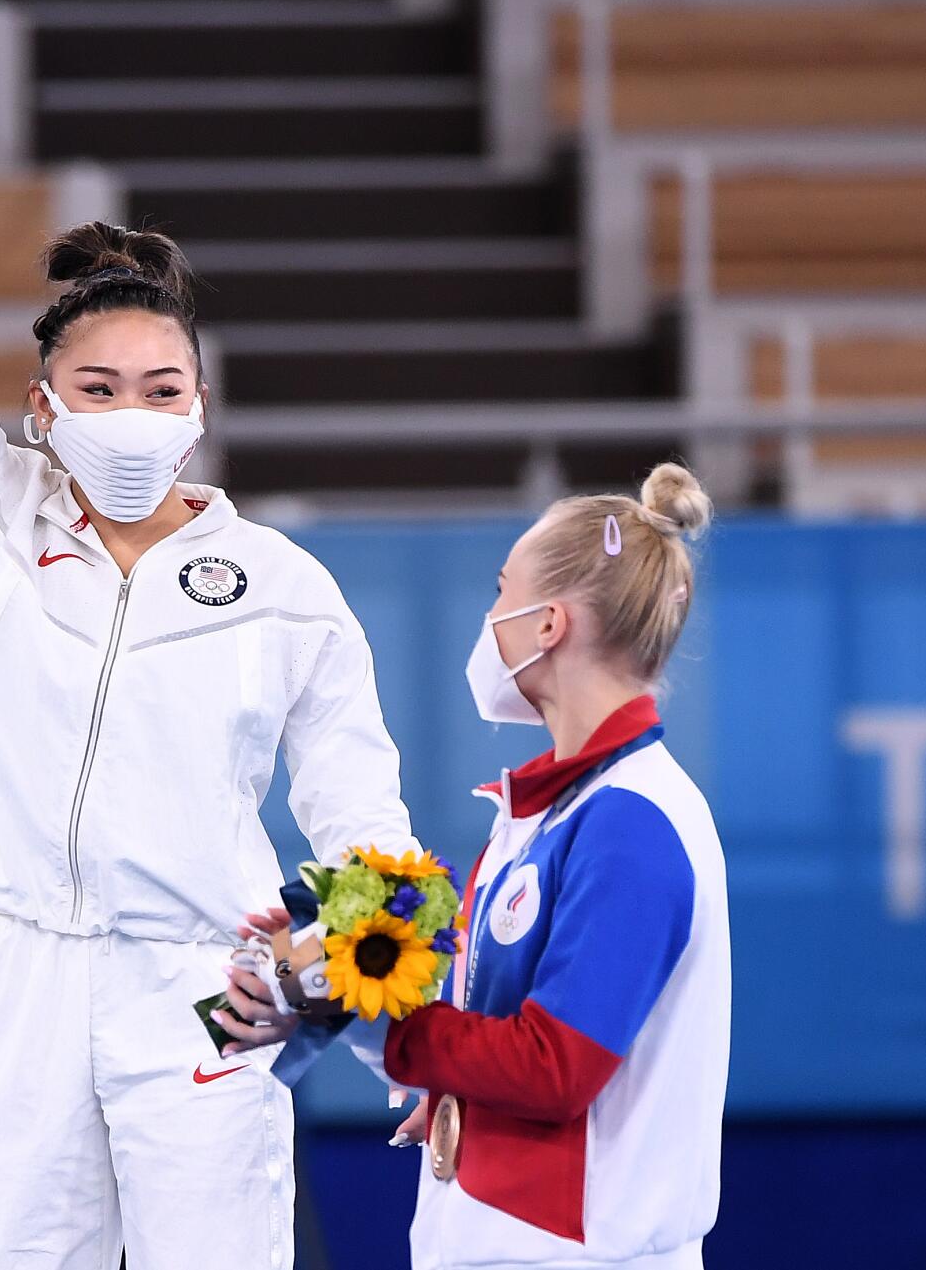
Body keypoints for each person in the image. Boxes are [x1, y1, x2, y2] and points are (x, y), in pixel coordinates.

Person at [0, 0, 418, 1269]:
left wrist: (352, 1008)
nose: (129, 411)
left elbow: (365, 822)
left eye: (158, 388)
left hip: (204, 985)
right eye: (96, 389)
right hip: (23, 981)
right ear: (42, 406)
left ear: (200, 405)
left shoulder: (285, 589)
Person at [379, 465, 730, 1270]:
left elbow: (555, 1066)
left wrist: (396, 1030)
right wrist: (451, 1085)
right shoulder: (553, 811)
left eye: (504, 592)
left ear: (549, 625)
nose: (491, 618)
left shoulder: (633, 819)